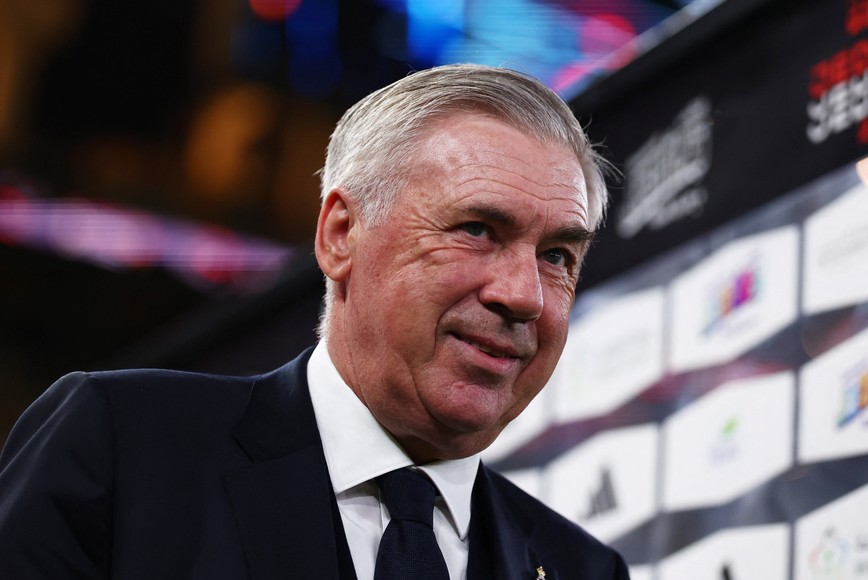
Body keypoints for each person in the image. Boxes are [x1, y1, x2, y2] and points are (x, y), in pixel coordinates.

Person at [0, 63, 630, 579]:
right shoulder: (124, 448)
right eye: (476, 229)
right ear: (340, 234)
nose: (525, 296)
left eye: (556, 256)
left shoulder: (583, 570)